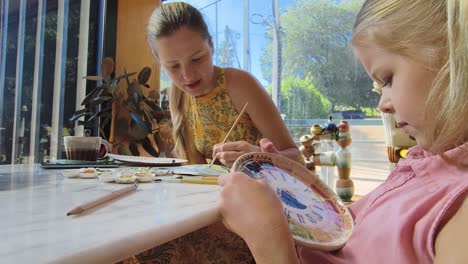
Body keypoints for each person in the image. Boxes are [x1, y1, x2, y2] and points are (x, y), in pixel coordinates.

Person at [217, 0, 468, 263]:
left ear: (457, 53)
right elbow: (354, 232)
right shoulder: (422, 162)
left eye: (387, 79)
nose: (382, 105)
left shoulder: (459, 210)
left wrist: (267, 237)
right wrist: (289, 187)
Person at [147, 2, 302, 167]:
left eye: (197, 59)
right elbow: (197, 170)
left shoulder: (241, 85)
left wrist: (259, 158)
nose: (187, 76)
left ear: (211, 46)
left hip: (264, 190)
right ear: (160, 63)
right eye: (173, 66)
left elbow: (298, 160)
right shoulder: (178, 95)